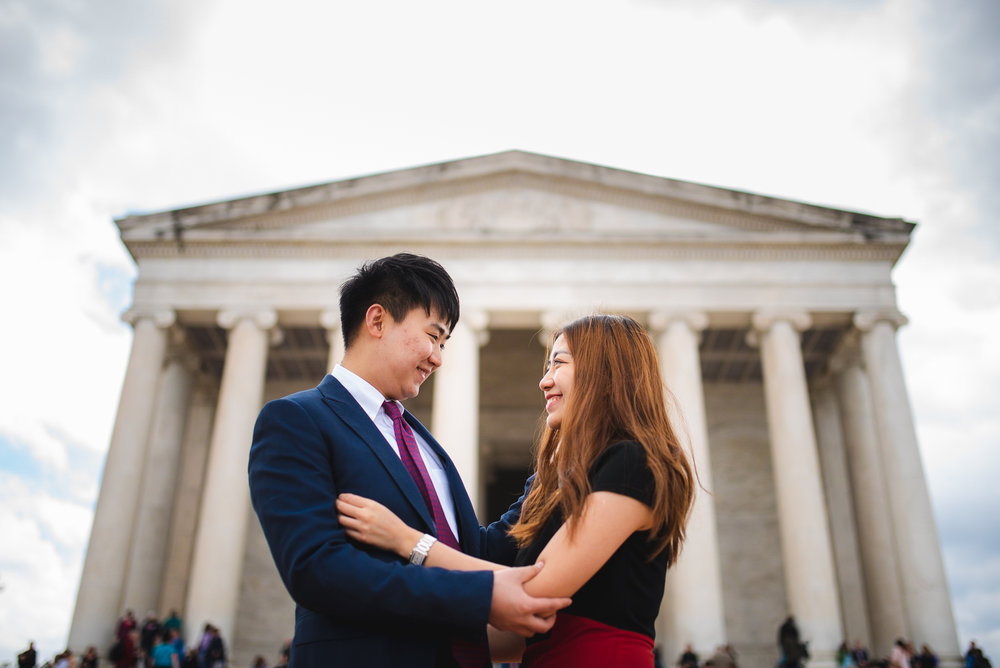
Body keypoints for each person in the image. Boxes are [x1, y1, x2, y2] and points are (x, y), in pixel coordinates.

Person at [248, 253, 571, 668]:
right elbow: (317, 570)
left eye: (444, 343)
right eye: (433, 336)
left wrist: (557, 473)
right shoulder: (297, 420)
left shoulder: (422, 441)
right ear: (378, 321)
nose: (438, 357)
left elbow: (474, 550)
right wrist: (481, 594)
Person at [338, 313, 696, 666]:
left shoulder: (634, 462)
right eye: (547, 367)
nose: (544, 381)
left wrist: (408, 541)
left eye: (559, 364)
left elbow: (531, 593)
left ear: (606, 373)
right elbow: (512, 625)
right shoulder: (552, 480)